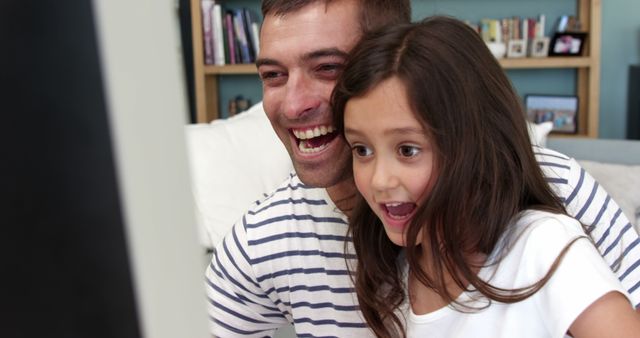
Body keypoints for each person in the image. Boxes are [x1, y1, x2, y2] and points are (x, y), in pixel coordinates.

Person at [204, 1, 640, 336]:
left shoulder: (548, 204)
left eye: (328, 68)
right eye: (274, 75)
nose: (295, 103)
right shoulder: (268, 239)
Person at [332, 16, 640, 338]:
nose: (380, 180)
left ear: (474, 145)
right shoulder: (393, 278)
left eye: (408, 150)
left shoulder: (541, 244)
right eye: (362, 150)